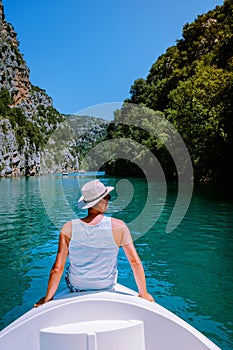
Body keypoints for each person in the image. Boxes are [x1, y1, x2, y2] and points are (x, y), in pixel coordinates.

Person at [34, 179, 154, 307]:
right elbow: (134, 262)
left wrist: (47, 299)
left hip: (77, 288)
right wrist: (144, 293)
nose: (109, 200)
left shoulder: (68, 228)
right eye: (107, 197)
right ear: (101, 201)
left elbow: (58, 268)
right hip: (106, 287)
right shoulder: (119, 226)